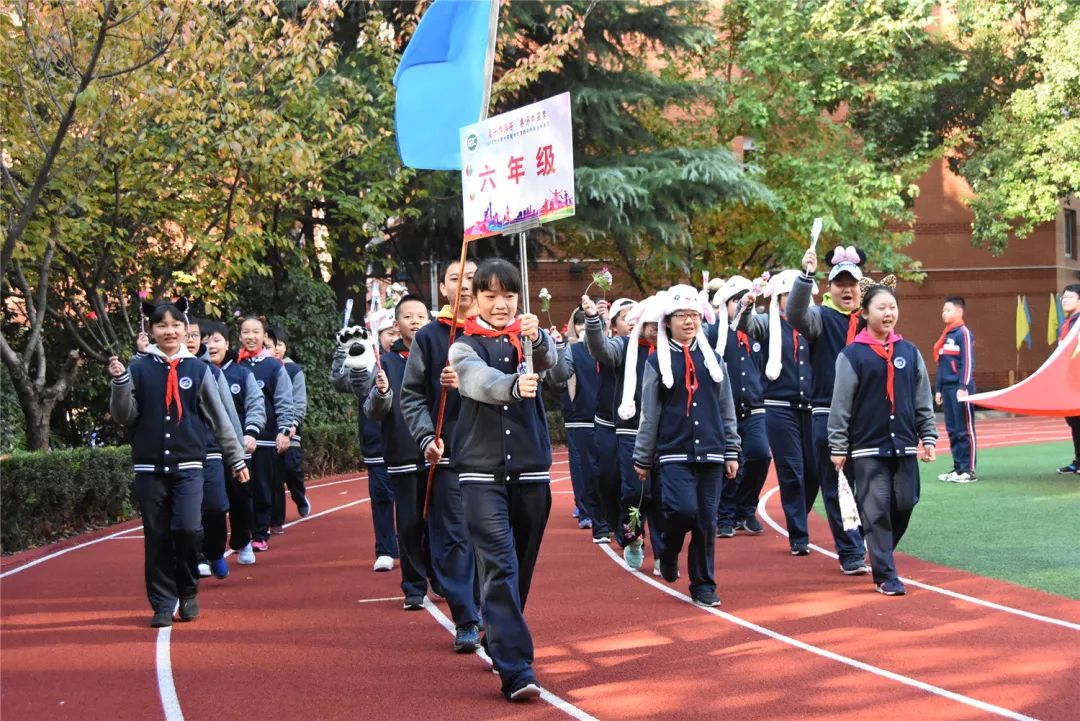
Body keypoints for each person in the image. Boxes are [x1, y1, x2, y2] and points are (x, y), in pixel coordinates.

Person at [449, 257, 556, 701]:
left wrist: (542, 340)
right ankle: (516, 668)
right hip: (479, 474)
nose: (500, 304)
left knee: (520, 570)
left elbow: (559, 367)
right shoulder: (462, 346)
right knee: (500, 566)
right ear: (473, 299)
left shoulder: (529, 339)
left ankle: (499, 634)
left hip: (531, 470)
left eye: (508, 295)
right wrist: (512, 386)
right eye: (490, 295)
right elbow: (476, 381)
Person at [109, 299, 249, 627]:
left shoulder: (198, 370)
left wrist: (235, 459)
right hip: (150, 468)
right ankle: (161, 603)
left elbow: (219, 418)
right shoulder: (138, 368)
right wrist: (119, 382)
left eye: (175, 325)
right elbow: (124, 416)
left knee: (187, 529)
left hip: (189, 466)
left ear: (185, 329)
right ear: (151, 331)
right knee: (157, 535)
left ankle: (187, 591)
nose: (169, 331)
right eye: (161, 325)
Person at [633, 285, 740, 608]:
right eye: (681, 316)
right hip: (673, 451)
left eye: (693, 315)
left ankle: (703, 584)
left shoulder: (714, 360)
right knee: (682, 510)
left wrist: (732, 449)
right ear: (668, 321)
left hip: (712, 451)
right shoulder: (657, 363)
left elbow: (726, 408)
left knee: (706, 521)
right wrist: (642, 456)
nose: (688, 321)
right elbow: (649, 414)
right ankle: (667, 549)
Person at [828, 283, 938, 596]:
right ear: (864, 313)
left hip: (903, 444)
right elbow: (841, 405)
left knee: (905, 502)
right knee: (876, 510)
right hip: (867, 448)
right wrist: (838, 446)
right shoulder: (852, 355)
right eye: (881, 308)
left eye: (892, 307)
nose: (888, 313)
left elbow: (922, 399)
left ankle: (879, 546)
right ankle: (886, 575)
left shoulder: (909, 352)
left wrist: (927, 435)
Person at [399, 262, 483, 650]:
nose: (464, 285)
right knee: (453, 539)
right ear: (443, 287)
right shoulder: (430, 337)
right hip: (448, 454)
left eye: (471, 278)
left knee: (490, 539)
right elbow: (412, 395)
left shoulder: (502, 333)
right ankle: (466, 616)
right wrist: (424, 437)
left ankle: (487, 608)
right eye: (456, 278)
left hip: (494, 456)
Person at [787, 246, 870, 574]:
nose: (847, 289)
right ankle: (849, 550)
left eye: (853, 283)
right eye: (840, 283)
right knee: (839, 487)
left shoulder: (870, 319)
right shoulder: (820, 318)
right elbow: (795, 314)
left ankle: (864, 535)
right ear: (831, 287)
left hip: (868, 416)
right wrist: (805, 277)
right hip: (827, 414)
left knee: (874, 484)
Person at [585, 292, 666, 573]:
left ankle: (663, 552)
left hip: (667, 434)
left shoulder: (672, 349)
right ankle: (633, 538)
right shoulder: (624, 346)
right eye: (651, 324)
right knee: (634, 492)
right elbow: (600, 350)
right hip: (630, 431)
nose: (656, 330)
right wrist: (594, 322)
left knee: (663, 495)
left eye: (660, 324)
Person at [743, 270, 817, 556]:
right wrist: (748, 303)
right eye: (786, 295)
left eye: (797, 295)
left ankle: (798, 512)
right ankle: (798, 534)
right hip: (779, 407)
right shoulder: (767, 323)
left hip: (812, 407)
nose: (792, 300)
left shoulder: (814, 324)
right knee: (791, 471)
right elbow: (744, 324)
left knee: (813, 472)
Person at [181, 319, 244, 580]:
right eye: (189, 335)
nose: (193, 340)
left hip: (211, 452)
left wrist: (237, 456)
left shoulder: (211, 372)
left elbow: (226, 415)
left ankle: (215, 551)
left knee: (217, 507)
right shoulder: (166, 370)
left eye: (197, 335)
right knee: (189, 515)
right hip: (183, 455)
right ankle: (197, 558)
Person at [330, 325, 397, 571]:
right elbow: (339, 381)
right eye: (390, 332)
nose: (395, 336)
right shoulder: (367, 364)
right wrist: (343, 348)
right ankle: (386, 549)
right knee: (381, 497)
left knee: (413, 500)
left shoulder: (415, 360)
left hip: (410, 444)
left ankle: (413, 546)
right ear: (377, 337)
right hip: (376, 442)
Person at [711, 277, 772, 538]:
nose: (743, 304)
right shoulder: (714, 333)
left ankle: (746, 507)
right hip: (726, 410)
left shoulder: (759, 331)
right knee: (730, 463)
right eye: (737, 300)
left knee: (760, 455)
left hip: (756, 407)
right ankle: (724, 515)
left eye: (747, 299)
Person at [201, 319, 265, 566]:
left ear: (227, 343)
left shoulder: (241, 373)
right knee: (211, 504)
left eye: (216, 340)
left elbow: (256, 405)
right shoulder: (195, 371)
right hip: (208, 450)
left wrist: (250, 433)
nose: (211, 345)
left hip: (236, 448)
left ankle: (242, 541)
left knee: (239, 500)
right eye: (206, 341)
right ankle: (208, 550)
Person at [583, 296, 638, 545]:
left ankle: (634, 533)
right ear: (615, 325)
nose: (632, 322)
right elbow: (598, 347)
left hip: (637, 427)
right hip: (607, 422)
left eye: (635, 317)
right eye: (625, 318)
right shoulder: (617, 345)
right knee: (607, 478)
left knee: (635, 486)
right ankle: (618, 524)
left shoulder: (651, 345)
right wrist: (595, 320)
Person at [237, 316, 294, 552]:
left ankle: (260, 532)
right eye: (246, 332)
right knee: (241, 488)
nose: (250, 337)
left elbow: (283, 401)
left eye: (255, 332)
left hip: (265, 437)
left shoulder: (274, 367)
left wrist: (284, 431)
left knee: (261, 486)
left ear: (264, 337)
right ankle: (245, 529)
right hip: (238, 438)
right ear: (239, 335)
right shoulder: (234, 365)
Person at [547, 308, 602, 532]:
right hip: (578, 415)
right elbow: (558, 379)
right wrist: (558, 346)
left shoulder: (609, 349)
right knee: (581, 467)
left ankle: (604, 510)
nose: (582, 327)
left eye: (587, 322)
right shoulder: (572, 350)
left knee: (605, 467)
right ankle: (585, 509)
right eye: (579, 323)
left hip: (606, 417)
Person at [266, 327, 310, 531]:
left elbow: (298, 401)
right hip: (267, 432)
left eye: (278, 345)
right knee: (273, 474)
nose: (275, 349)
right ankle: (275, 520)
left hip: (290, 430)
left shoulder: (293, 370)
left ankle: (299, 496)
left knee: (291, 469)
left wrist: (292, 424)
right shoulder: (258, 368)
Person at [933, 297, 978, 483]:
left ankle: (969, 470)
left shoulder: (963, 333)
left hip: (961, 389)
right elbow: (942, 366)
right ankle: (958, 468)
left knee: (964, 430)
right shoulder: (946, 336)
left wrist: (963, 386)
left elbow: (968, 362)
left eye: (948, 310)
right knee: (952, 429)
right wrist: (938, 389)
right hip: (948, 389)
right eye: (943, 310)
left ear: (959, 312)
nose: (944, 313)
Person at [1057, 284, 1080, 474]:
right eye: (1063, 297)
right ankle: (1079, 460)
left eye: (1070, 297)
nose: (1065, 300)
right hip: (1069, 381)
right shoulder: (1067, 324)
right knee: (1074, 421)